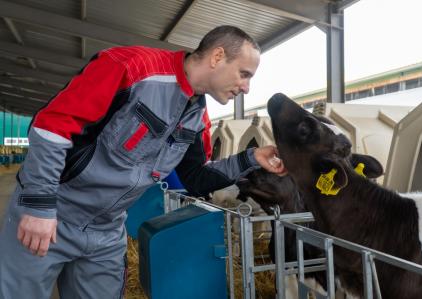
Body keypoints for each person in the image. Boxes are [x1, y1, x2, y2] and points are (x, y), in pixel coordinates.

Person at [0, 25, 285, 298]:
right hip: (53, 214)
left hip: (107, 232)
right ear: (218, 56)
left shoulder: (198, 119)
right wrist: (39, 204)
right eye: (244, 74)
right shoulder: (131, 68)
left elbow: (195, 179)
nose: (246, 87)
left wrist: (250, 158)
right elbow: (52, 125)